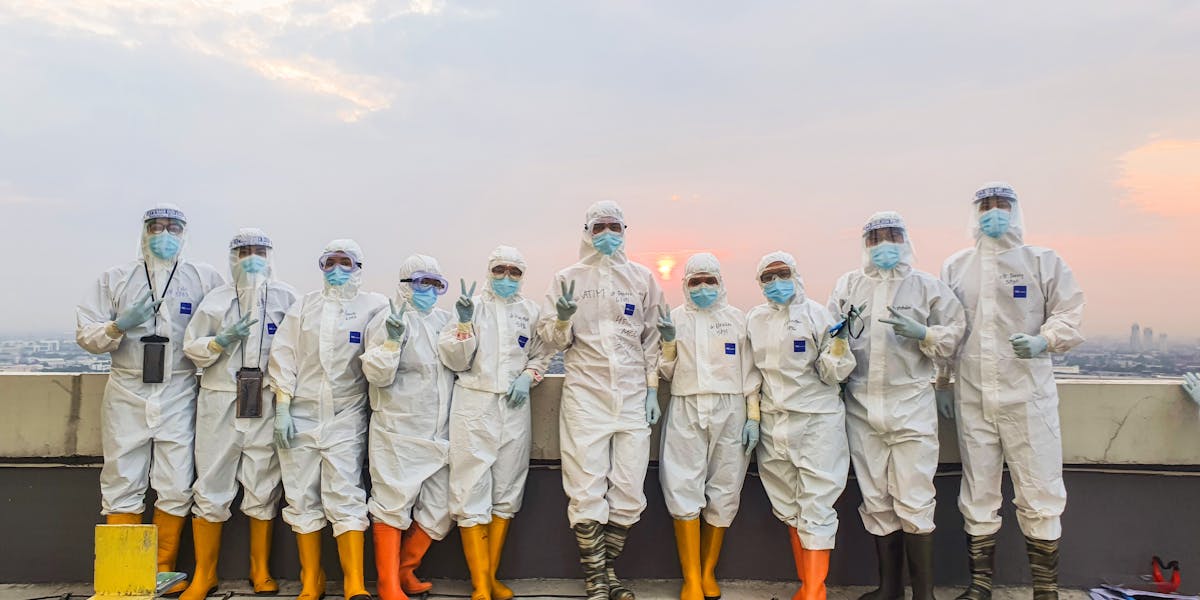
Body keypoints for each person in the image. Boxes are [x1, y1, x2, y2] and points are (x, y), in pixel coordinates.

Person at [941, 183, 1086, 600]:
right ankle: (980, 585)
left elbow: (1070, 310)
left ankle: (1045, 588)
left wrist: (1046, 339)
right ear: (974, 213)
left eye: (1001, 206)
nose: (993, 213)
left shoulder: (1042, 261)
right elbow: (949, 328)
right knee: (979, 489)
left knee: (1039, 489)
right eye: (985, 206)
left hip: (1027, 396)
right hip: (973, 396)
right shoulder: (957, 266)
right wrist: (942, 381)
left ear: (1015, 210)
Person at [76, 204, 225, 594]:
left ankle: (161, 570)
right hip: (128, 387)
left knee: (176, 482)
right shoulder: (115, 279)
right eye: (156, 226)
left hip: (179, 387)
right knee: (122, 478)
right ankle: (125, 571)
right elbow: (86, 334)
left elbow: (221, 328)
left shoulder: (203, 278)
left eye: (172, 227)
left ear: (184, 232)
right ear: (143, 231)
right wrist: (117, 325)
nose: (164, 233)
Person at [828, 212, 966, 600]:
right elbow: (832, 337)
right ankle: (889, 588)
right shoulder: (849, 286)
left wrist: (926, 334)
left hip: (910, 405)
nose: (883, 244)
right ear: (865, 244)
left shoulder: (926, 287)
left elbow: (953, 334)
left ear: (904, 240)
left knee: (915, 497)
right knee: (875, 496)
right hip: (861, 406)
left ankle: (924, 593)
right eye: (875, 237)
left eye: (890, 236)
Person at [537, 200, 666, 600]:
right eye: (599, 227)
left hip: (631, 398)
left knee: (629, 490)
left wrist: (649, 390)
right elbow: (553, 340)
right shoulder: (567, 278)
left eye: (614, 226)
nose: (607, 233)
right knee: (585, 487)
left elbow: (654, 339)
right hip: (585, 396)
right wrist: (561, 318)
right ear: (587, 231)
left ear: (625, 230)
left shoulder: (643, 278)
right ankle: (599, 579)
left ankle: (606, 571)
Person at [180, 228, 298, 600]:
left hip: (263, 399)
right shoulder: (214, 301)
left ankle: (259, 570)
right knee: (211, 482)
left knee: (262, 481)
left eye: (259, 251)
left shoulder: (287, 299)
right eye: (243, 251)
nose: (251, 258)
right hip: (219, 399)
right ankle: (204, 574)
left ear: (270, 255)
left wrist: (284, 406)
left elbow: (295, 354)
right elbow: (192, 347)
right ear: (232, 257)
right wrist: (219, 341)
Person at [268, 239, 389, 600]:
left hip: (345, 413)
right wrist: (283, 406)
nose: (337, 269)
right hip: (300, 414)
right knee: (301, 494)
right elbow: (284, 355)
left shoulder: (374, 305)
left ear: (359, 267)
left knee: (345, 492)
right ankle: (311, 580)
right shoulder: (304, 306)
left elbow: (384, 356)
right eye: (330, 262)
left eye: (345, 262)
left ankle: (354, 583)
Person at [439, 245, 554, 600]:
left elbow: (542, 352)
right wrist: (462, 325)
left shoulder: (530, 312)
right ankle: (480, 585)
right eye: (500, 270)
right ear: (489, 271)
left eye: (514, 272)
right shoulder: (471, 308)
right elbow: (455, 360)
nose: (507, 277)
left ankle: (490, 579)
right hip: (474, 403)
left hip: (514, 407)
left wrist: (529, 375)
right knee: (471, 489)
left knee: (506, 490)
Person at [746, 251, 855, 600]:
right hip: (774, 425)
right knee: (790, 507)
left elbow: (833, 373)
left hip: (816, 424)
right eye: (768, 277)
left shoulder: (817, 316)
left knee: (817, 505)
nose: (776, 283)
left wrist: (837, 346)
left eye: (782, 274)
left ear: (795, 275)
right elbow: (751, 373)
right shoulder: (755, 320)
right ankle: (807, 587)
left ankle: (814, 593)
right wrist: (753, 416)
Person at [656, 253, 760, 600]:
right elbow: (665, 372)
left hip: (730, 408)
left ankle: (707, 571)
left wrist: (753, 415)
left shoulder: (736, 320)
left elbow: (750, 373)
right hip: (686, 405)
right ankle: (690, 579)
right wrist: (668, 344)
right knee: (682, 485)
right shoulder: (674, 318)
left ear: (720, 283)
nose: (702, 288)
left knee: (726, 485)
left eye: (709, 281)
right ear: (685, 285)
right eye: (695, 282)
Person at [361, 255, 455, 600]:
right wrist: (391, 342)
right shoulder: (389, 318)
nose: (428, 290)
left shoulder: (444, 320)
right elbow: (377, 375)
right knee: (391, 504)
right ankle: (388, 585)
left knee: (442, 505)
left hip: (439, 431)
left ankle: (405, 568)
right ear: (404, 284)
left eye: (434, 283)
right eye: (420, 282)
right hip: (398, 429)